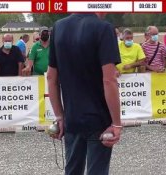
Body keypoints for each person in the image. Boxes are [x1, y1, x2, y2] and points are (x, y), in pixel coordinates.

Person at [47, 13, 121, 175]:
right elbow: (109, 80)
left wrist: (60, 116)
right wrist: (116, 123)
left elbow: (51, 77)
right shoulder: (104, 28)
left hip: (72, 117)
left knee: (72, 170)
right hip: (99, 117)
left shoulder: (58, 27)